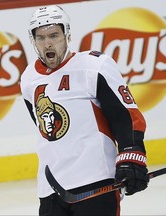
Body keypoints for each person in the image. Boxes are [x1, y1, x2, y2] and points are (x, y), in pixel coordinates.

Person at [20, 5, 149, 216]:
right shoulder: (28, 79)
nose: (48, 43)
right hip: (51, 187)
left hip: (95, 180)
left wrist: (131, 155)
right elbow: (45, 130)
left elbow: (125, 115)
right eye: (41, 38)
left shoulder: (94, 66)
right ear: (33, 41)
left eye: (54, 35)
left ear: (67, 35)